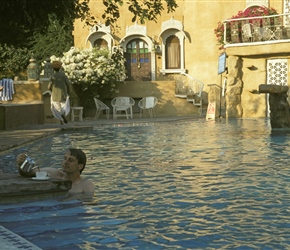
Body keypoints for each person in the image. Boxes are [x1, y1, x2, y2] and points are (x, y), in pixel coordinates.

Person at [17, 148, 95, 196]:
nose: (65, 162)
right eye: (65, 158)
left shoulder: (85, 185)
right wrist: (22, 164)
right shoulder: (55, 174)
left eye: (70, 160)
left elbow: (89, 205)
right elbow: (27, 172)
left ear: (80, 166)